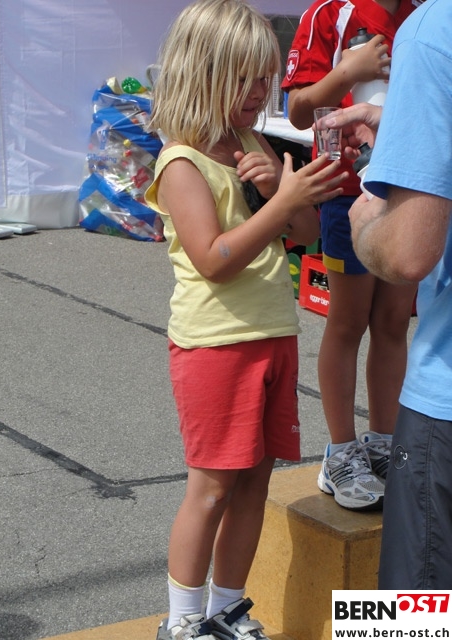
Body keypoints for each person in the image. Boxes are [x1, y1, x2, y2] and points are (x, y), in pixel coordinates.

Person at [144, 1, 347, 638]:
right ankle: (182, 620)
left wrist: (277, 194)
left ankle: (226, 606)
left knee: (255, 482)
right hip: (216, 346)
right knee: (211, 488)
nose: (261, 91)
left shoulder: (252, 143)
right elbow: (213, 260)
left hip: (272, 336)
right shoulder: (181, 161)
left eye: (265, 77)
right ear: (201, 73)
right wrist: (278, 204)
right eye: (245, 78)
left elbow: (305, 230)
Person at [325, 0, 452, 588]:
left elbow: (406, 255)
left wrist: (365, 225)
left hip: (444, 404)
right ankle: (350, 447)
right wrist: (402, 130)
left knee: (407, 620)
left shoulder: (434, 27)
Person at [281, 0, 419, 512]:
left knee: (393, 322)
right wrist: (347, 72)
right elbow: (298, 110)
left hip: (409, 190)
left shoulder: (422, 15)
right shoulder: (328, 14)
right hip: (346, 195)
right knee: (348, 322)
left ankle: (383, 442)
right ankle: (340, 451)